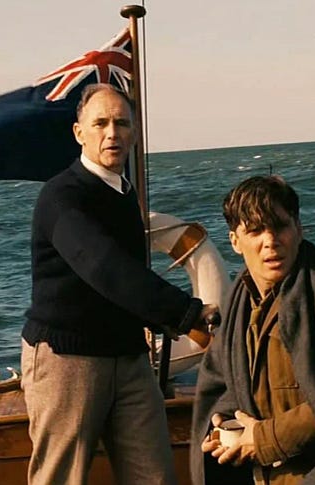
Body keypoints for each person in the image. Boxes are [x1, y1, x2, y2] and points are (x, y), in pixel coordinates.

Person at [20, 83, 217, 485]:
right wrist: (187, 313)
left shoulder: (124, 194)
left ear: (134, 133)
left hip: (128, 358)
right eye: (101, 123)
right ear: (79, 133)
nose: (113, 133)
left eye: (122, 123)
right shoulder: (61, 197)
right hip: (68, 359)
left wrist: (160, 319)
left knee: (155, 477)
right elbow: (104, 267)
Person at [191, 175, 315, 485]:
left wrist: (262, 439)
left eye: (280, 226)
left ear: (298, 229)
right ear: (235, 241)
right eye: (255, 230)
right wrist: (221, 427)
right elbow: (221, 383)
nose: (270, 241)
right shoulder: (239, 299)